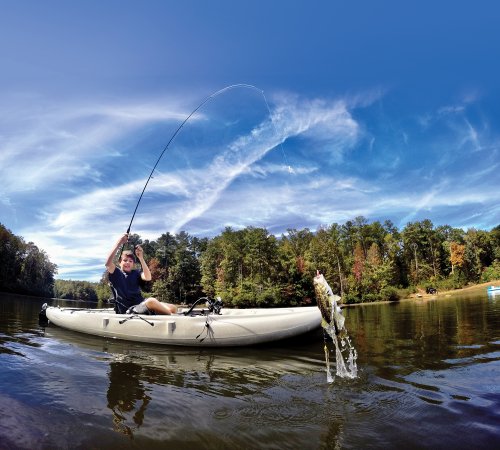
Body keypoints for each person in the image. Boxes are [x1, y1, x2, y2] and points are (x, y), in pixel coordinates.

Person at [106, 233, 177, 315]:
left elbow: (148, 277)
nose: (128, 262)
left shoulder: (136, 273)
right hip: (129, 309)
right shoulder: (116, 273)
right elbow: (108, 263)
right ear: (119, 262)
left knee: (173, 307)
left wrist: (141, 258)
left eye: (130, 261)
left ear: (133, 264)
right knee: (151, 301)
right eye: (125, 260)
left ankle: (166, 317)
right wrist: (119, 242)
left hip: (141, 304)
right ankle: (175, 319)